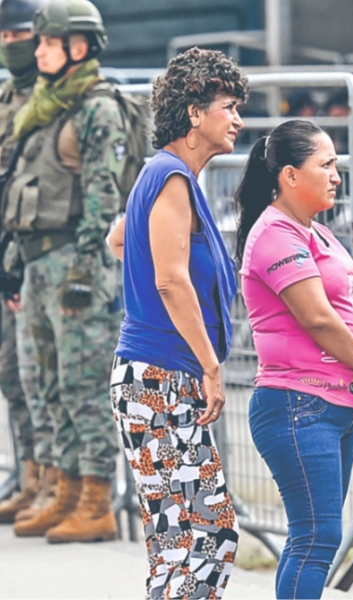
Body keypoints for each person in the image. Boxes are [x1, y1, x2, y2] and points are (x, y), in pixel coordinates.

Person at [106, 47, 247, 599]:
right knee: (209, 535)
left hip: (152, 378)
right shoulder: (170, 177)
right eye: (229, 106)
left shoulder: (168, 177)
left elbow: (120, 238)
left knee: (178, 542)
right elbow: (171, 280)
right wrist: (212, 368)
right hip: (162, 378)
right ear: (194, 112)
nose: (237, 119)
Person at [235, 120, 353, 600]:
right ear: (289, 175)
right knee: (316, 536)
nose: (336, 175)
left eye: (336, 165)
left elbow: (352, 301)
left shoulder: (315, 232)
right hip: (297, 404)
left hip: (334, 406)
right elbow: (318, 319)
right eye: (325, 165)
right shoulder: (275, 235)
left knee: (322, 535)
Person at [1, 0, 125, 543]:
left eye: (47, 42)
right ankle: (63, 489)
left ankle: (95, 500)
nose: (36, 49)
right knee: (45, 384)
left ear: (78, 47)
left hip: (76, 265)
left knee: (81, 386)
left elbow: (102, 197)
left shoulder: (97, 108)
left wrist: (83, 269)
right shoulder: (47, 104)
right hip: (38, 261)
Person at [0, 0, 55, 524]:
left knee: (41, 375)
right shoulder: (5, 98)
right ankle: (30, 474)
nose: (11, 43)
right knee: (12, 377)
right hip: (7, 252)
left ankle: (53, 484)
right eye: (5, 34)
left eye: (21, 33)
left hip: (33, 253)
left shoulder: (50, 99)